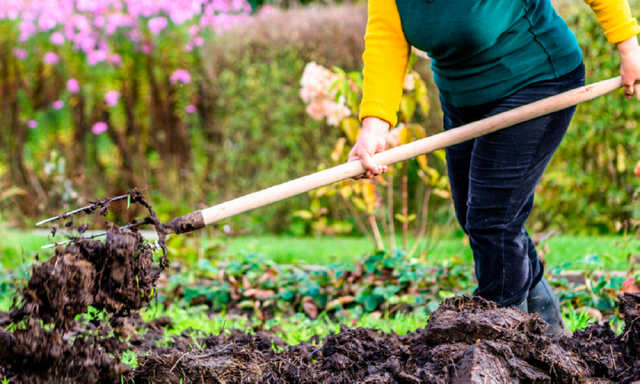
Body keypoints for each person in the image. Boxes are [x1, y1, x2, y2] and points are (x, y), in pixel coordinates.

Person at [348, 0, 640, 336]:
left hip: (537, 80)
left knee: (493, 221)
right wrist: (374, 127)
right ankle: (549, 334)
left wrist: (628, 46)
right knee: (480, 218)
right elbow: (386, 41)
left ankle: (501, 339)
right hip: (464, 101)